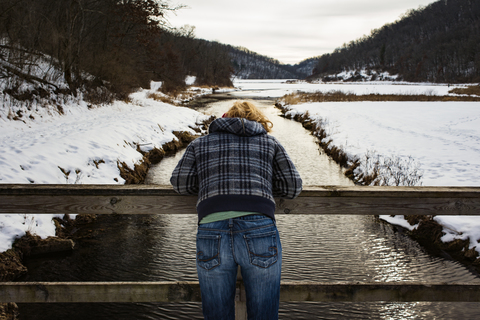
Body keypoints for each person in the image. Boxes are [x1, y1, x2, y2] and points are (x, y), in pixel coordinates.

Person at [170, 101, 302, 320]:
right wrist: (263, 183)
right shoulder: (270, 143)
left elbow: (180, 183)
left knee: (217, 314)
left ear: (224, 118)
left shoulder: (199, 144)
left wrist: (208, 184)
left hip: (212, 230)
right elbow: (293, 187)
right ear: (258, 121)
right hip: (259, 229)